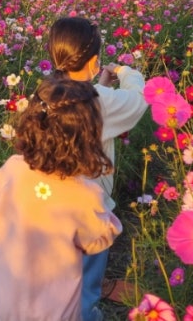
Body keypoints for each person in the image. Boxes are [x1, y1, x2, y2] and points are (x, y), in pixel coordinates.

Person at [0, 77, 122, 321]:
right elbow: (100, 239)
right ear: (87, 141)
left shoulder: (11, 170)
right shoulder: (85, 195)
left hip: (4, 310)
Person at [47, 16, 149, 321]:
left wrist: (99, 84)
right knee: (84, 294)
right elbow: (138, 101)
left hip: (48, 210)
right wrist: (124, 71)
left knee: (57, 285)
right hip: (88, 212)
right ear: (93, 60)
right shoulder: (98, 102)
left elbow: (92, 104)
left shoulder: (47, 93)